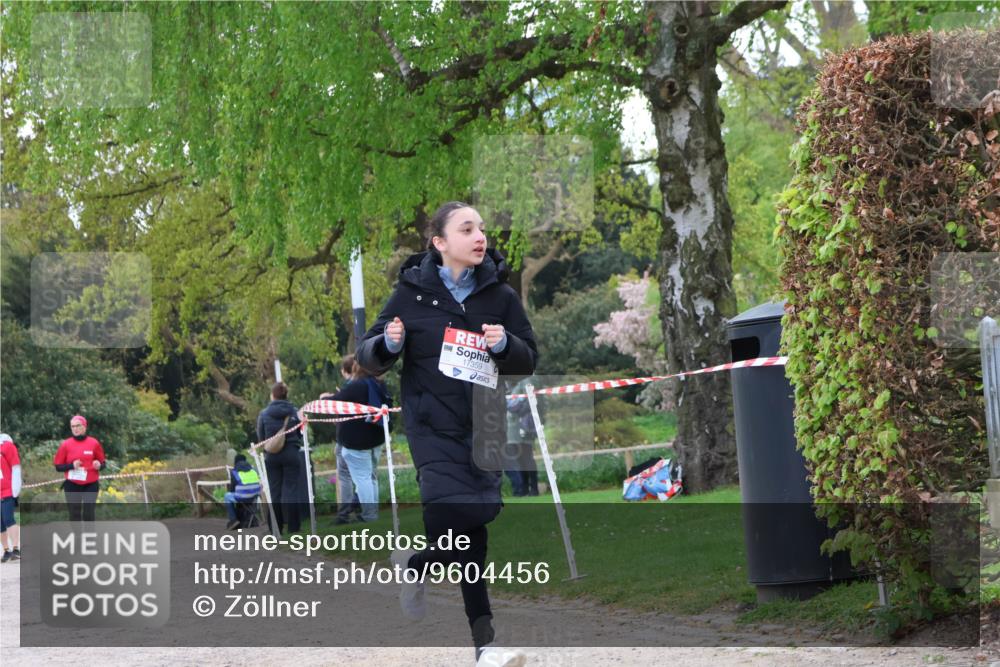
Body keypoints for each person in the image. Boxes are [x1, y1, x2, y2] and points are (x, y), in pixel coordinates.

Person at [357, 201, 537, 665]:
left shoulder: (501, 297)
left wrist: (504, 345)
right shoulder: (410, 295)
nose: (480, 237)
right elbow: (368, 356)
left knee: (477, 522)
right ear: (439, 243)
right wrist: (389, 344)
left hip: (486, 423)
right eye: (467, 229)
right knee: (452, 519)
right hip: (431, 426)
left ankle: (415, 565)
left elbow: (528, 358)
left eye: (481, 228)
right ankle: (487, 648)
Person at [325, 359, 393, 523]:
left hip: (357, 441)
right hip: (375, 438)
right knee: (370, 477)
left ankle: (369, 515)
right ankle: (372, 512)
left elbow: (336, 402)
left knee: (362, 478)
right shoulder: (378, 384)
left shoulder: (357, 385)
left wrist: (325, 399)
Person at [256, 382, 304, 534]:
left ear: (272, 395)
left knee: (274, 492)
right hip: (291, 452)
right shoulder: (294, 412)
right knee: (291, 490)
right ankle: (294, 527)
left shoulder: (264, 414)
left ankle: (275, 527)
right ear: (286, 395)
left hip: (272, 456)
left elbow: (261, 437)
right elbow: (300, 433)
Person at [320, 356, 363, 525]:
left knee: (344, 475)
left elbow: (336, 408)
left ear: (345, 371)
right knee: (365, 475)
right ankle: (362, 508)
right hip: (365, 435)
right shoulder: (367, 384)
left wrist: (326, 398)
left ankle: (345, 511)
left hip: (347, 437)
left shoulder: (350, 387)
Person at [53, 415, 106, 522]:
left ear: (84, 427)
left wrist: (99, 465)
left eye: (78, 426)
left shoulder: (94, 443)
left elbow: (103, 463)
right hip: (72, 484)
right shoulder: (66, 444)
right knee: (74, 514)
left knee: (88, 513)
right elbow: (58, 467)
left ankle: (88, 538)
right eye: (73, 426)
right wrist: (72, 465)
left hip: (90, 484)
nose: (75, 429)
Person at [504, 377, 540, 497]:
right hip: (511, 428)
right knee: (519, 459)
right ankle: (524, 488)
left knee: (527, 458)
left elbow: (529, 401)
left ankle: (534, 488)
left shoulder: (526, 380)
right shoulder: (509, 383)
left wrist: (517, 409)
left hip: (523, 426)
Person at [224, 454, 262, 530]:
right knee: (240, 495)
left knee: (227, 496)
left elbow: (232, 489)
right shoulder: (253, 470)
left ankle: (233, 520)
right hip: (254, 496)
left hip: (242, 497)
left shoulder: (234, 472)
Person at [1, 434, 22, 562]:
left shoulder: (7, 446)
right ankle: (6, 551)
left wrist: (15, 488)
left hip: (7, 490)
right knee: (0, 524)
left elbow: (15, 467)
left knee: (8, 519)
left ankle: (16, 549)